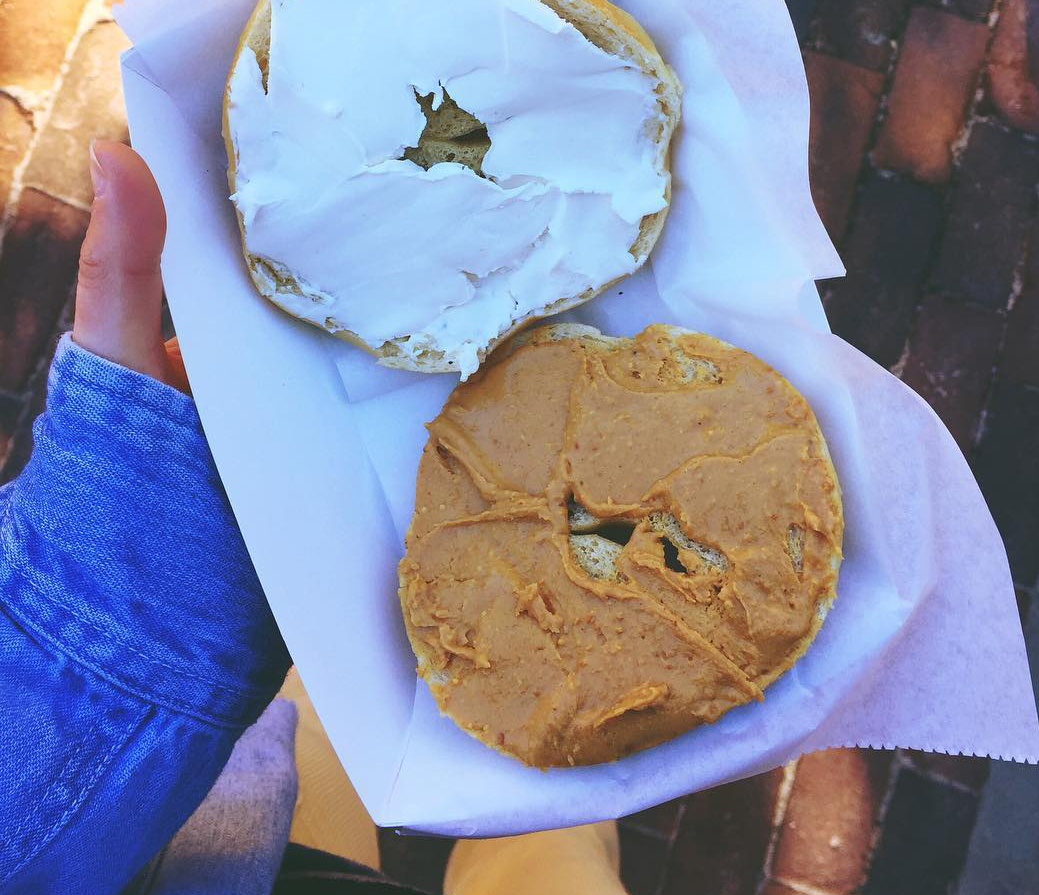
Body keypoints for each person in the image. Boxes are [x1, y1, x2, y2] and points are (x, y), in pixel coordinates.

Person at [0, 142, 630, 895]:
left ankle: (549, 775)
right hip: (219, 848)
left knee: (328, 716)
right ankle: (564, 785)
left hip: (226, 829)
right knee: (560, 839)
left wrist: (134, 615)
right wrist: (105, 641)